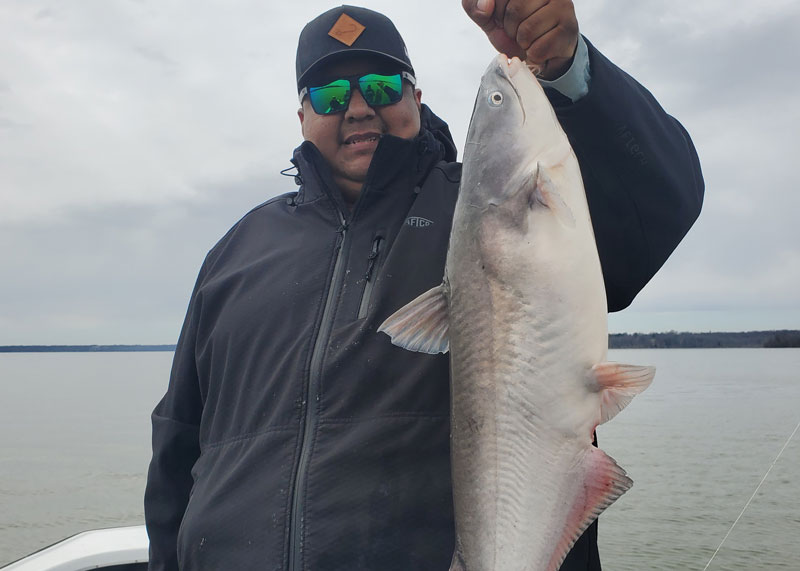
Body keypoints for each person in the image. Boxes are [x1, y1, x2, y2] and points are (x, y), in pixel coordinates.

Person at [144, 2, 704, 570]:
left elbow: (657, 205)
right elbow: (177, 440)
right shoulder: (235, 252)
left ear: (416, 96)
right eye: (330, 96)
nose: (359, 108)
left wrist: (563, 71)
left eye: (383, 86)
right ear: (302, 116)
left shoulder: (486, 212)